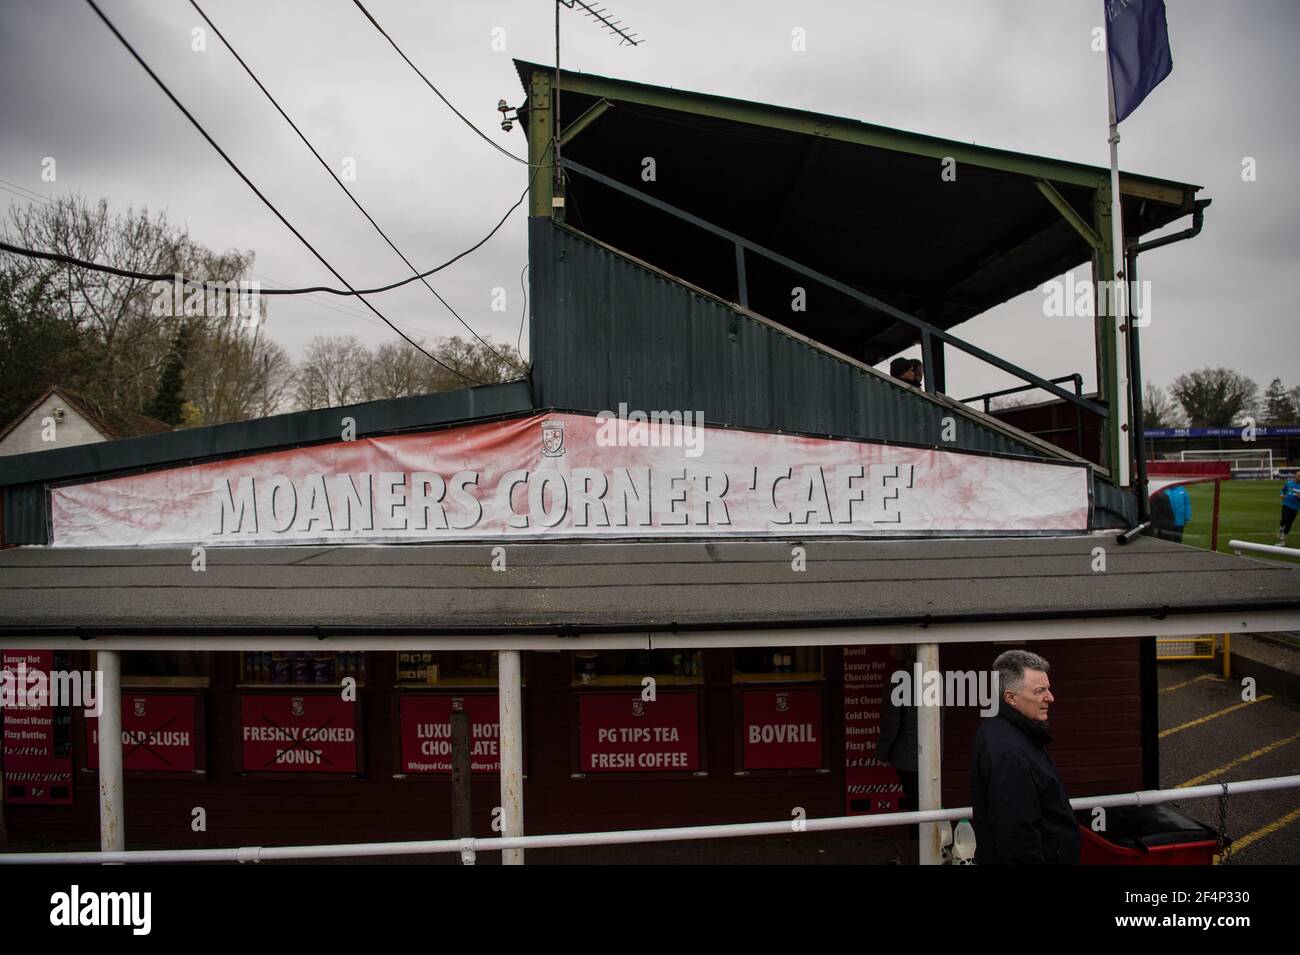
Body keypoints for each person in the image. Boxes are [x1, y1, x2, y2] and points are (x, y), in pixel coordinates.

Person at [970, 650, 1079, 865]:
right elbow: (1017, 837)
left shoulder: (1009, 733)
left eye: (1048, 688)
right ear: (1010, 697)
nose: (1050, 697)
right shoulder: (1009, 752)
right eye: (1040, 691)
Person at [1280, 475, 1300, 545]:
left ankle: (1283, 538)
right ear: (1295, 476)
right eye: (1298, 476)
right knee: (1285, 519)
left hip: (1295, 507)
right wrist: (1282, 495)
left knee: (1289, 523)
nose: (1299, 477)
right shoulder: (1289, 483)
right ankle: (1281, 528)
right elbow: (1283, 490)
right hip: (1286, 504)